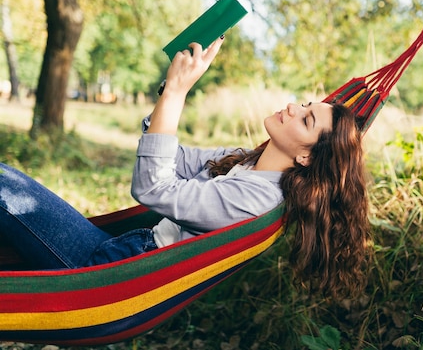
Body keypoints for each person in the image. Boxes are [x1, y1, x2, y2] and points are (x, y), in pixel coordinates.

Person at [0, 37, 370, 298]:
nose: (293, 107)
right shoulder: (249, 161)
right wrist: (170, 90)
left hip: (108, 273)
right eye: (306, 104)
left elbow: (153, 188)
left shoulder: (257, 200)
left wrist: (178, 94)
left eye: (305, 120)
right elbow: (169, 155)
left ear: (307, 157)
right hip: (118, 254)